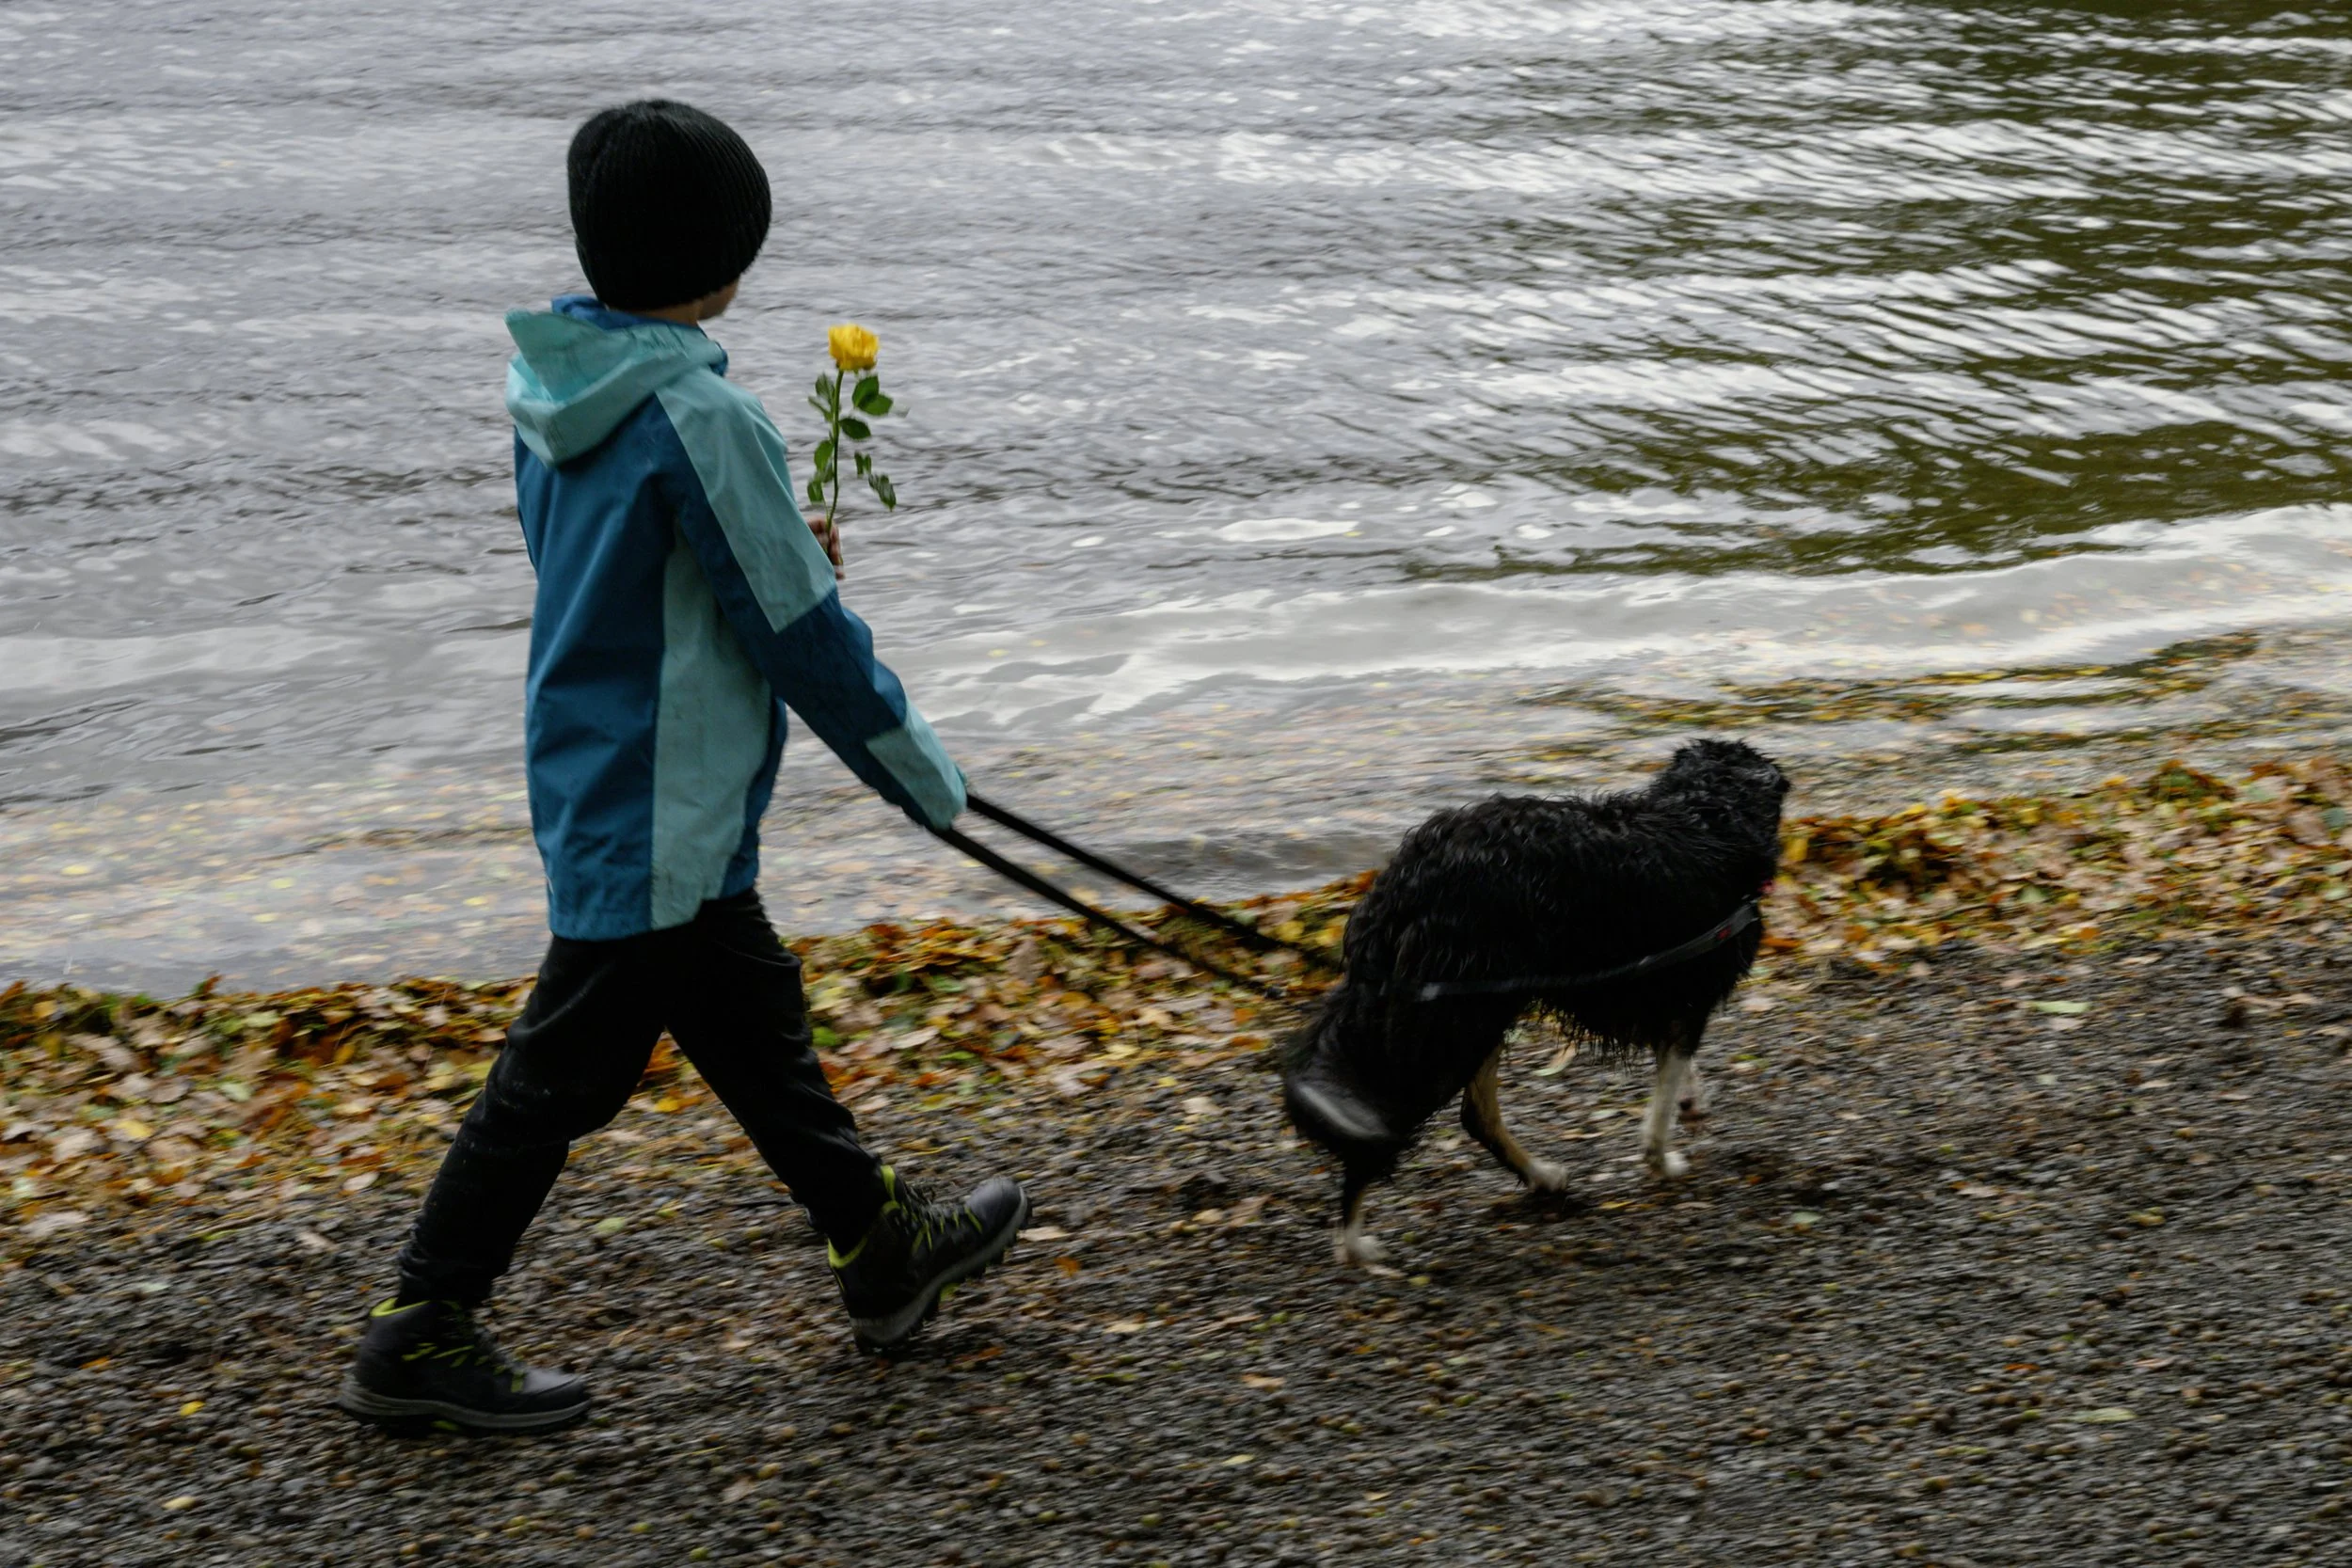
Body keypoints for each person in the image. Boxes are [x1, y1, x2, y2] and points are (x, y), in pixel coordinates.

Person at [336, 100, 1027, 1435]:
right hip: (662, 804)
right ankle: (419, 1325)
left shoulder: (557, 394)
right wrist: (925, 779)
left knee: (755, 1024)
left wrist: (773, 535)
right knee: (555, 1080)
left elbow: (629, 577)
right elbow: (799, 634)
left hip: (609, 776)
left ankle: (880, 1251)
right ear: (724, 258)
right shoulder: (708, 417)